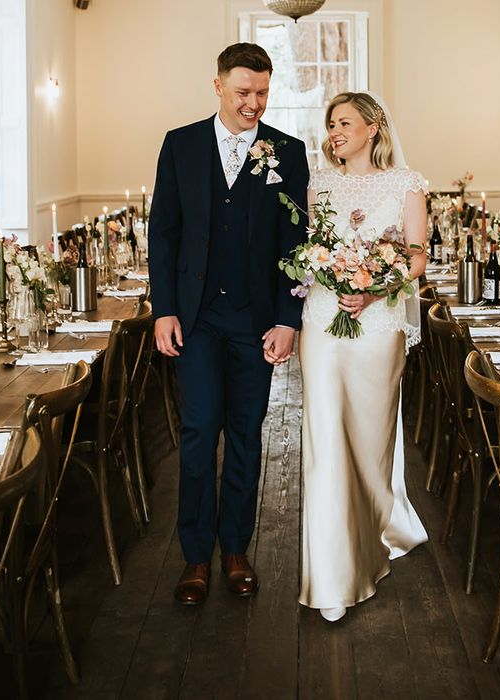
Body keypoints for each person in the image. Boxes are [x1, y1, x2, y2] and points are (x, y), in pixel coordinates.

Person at [148, 43, 308, 605]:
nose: (254, 104)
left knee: (246, 433)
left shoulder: (287, 151)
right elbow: (162, 233)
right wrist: (162, 308)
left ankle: (236, 549)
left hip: (254, 319)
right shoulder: (180, 144)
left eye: (263, 93)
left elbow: (296, 244)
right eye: (243, 92)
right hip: (193, 320)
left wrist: (289, 319)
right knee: (197, 434)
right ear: (217, 86)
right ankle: (195, 556)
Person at [298, 92, 429, 622]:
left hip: (377, 325)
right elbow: (310, 247)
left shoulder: (407, 184)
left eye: (344, 123)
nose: (335, 131)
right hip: (322, 324)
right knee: (323, 439)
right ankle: (332, 574)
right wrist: (323, 267)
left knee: (371, 440)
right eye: (330, 124)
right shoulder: (319, 183)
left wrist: (376, 288)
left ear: (373, 128)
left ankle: (375, 532)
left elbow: (417, 255)